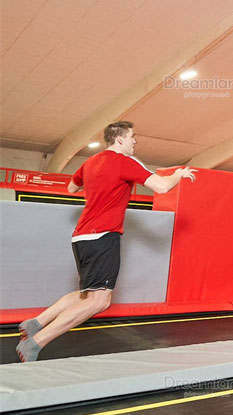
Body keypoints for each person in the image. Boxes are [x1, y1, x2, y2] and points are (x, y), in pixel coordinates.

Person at [16, 121, 196, 362]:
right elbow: (162, 187)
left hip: (81, 237)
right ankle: (35, 344)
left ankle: (35, 323)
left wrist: (98, 187)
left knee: (86, 295)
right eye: (132, 137)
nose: (135, 141)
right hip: (103, 235)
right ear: (120, 139)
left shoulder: (90, 162)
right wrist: (178, 174)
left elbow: (71, 187)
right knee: (99, 302)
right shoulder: (124, 161)